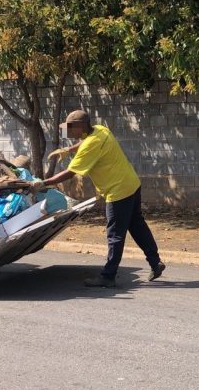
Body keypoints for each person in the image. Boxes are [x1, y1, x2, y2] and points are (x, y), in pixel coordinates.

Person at [35, 109, 166, 288]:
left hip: (118, 191)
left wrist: (44, 183)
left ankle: (109, 276)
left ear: (80, 127)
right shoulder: (100, 130)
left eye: (70, 128)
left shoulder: (91, 145)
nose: (68, 132)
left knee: (115, 235)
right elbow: (84, 143)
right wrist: (67, 150)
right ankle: (155, 262)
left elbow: (71, 173)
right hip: (131, 184)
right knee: (136, 224)